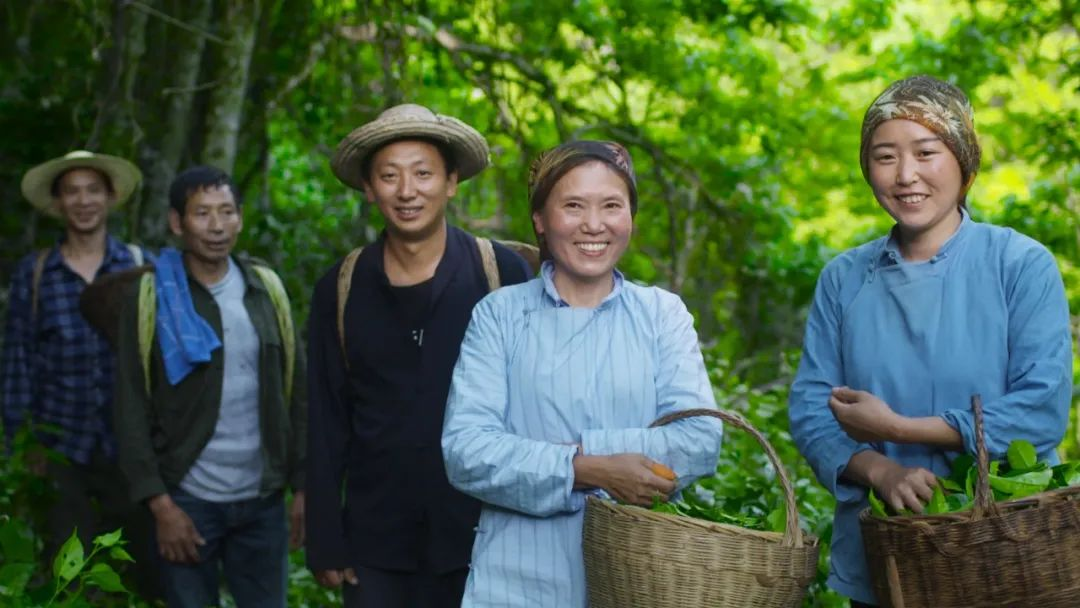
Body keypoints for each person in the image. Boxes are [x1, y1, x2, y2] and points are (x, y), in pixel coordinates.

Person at [788, 75, 1072, 607]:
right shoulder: (844, 278)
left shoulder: (1019, 264)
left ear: (962, 160)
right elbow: (810, 407)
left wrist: (897, 429)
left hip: (1009, 555)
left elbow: (1041, 410)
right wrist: (881, 470)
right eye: (885, 156)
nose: (905, 175)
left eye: (926, 152)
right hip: (886, 559)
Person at [441, 140, 724, 607]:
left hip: (637, 581)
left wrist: (570, 455)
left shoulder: (662, 314)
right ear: (540, 219)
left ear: (630, 216)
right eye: (573, 206)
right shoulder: (499, 315)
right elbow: (467, 451)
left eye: (611, 205)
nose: (594, 224)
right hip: (514, 582)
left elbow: (699, 440)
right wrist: (589, 469)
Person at [304, 103, 533, 607]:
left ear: (451, 182)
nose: (407, 191)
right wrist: (325, 536)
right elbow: (325, 418)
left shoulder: (502, 273)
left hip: (485, 534)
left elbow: (538, 403)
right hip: (375, 542)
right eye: (389, 176)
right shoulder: (340, 287)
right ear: (369, 188)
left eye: (423, 173)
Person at [111, 165, 306, 608]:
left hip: (262, 500)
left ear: (240, 218)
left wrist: (304, 487)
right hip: (188, 500)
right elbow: (130, 406)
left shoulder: (265, 289)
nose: (217, 226)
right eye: (202, 213)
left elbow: (297, 391)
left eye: (226, 211)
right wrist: (161, 506)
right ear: (177, 222)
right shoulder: (151, 297)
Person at [1, 150, 157, 594]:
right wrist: (21, 444)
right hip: (60, 445)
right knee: (67, 572)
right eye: (72, 192)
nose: (84, 201)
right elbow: (18, 363)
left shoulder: (138, 264)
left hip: (130, 446)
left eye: (93, 190)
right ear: (58, 203)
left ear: (110, 197)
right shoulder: (36, 274)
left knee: (144, 569)